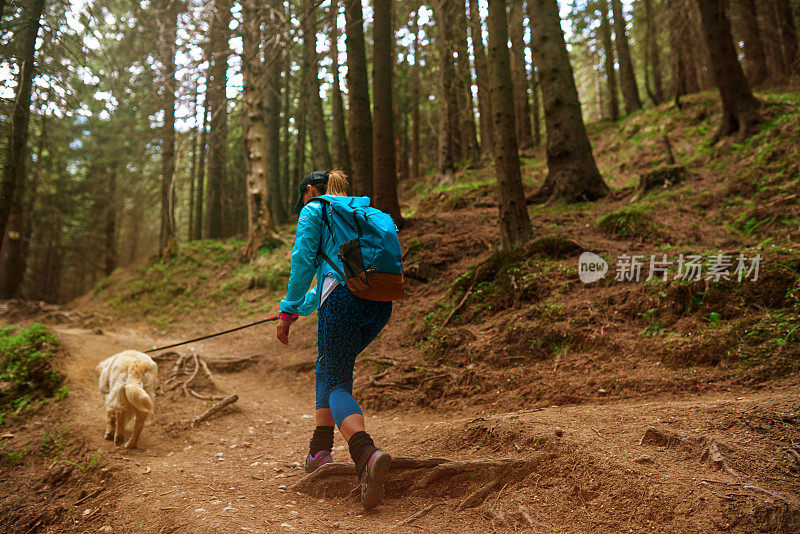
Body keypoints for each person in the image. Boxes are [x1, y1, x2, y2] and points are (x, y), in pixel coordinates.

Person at [276, 170, 393, 511]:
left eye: (304, 197)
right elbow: (341, 273)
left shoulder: (316, 209)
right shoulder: (363, 211)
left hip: (341, 303)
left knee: (336, 379)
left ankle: (365, 454)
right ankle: (319, 451)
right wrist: (303, 307)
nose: (305, 202)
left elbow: (303, 263)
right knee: (328, 366)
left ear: (310, 190)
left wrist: (287, 310)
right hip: (378, 303)